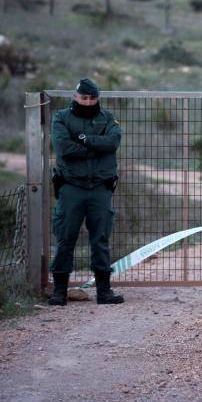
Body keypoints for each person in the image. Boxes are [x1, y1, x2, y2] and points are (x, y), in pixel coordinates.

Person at [48, 78, 124, 306]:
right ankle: (59, 291)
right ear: (75, 97)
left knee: (100, 239)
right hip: (72, 187)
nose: (88, 102)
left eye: (92, 98)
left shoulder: (107, 118)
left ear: (97, 98)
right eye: (84, 98)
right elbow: (64, 148)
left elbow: (112, 143)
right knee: (65, 238)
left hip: (100, 189)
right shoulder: (61, 118)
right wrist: (94, 148)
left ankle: (104, 291)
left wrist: (83, 140)